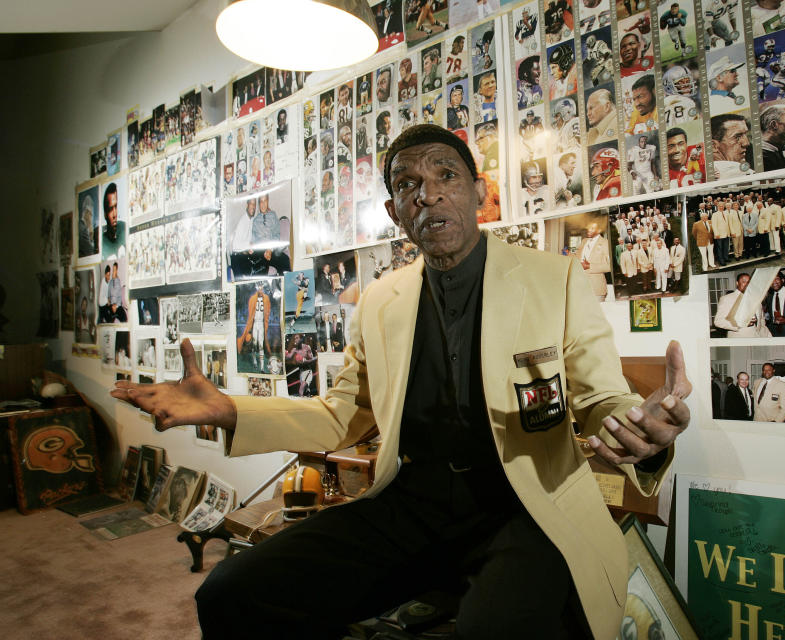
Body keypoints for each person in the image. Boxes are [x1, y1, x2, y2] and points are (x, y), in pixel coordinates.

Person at [112, 124, 692, 640]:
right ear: (396, 213)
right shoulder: (380, 301)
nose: (429, 192)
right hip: (412, 503)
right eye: (409, 183)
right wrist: (232, 412)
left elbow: (599, 396)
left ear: (478, 192)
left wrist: (639, 423)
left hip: (526, 503)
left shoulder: (556, 278)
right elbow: (342, 415)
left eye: (446, 175)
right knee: (232, 592)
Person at [714, 272, 771, 337]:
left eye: (749, 282)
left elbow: (761, 320)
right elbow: (718, 321)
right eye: (744, 282)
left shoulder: (756, 299)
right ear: (737, 283)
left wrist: (767, 335)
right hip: (739, 339)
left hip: (758, 338)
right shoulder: (727, 299)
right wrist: (740, 324)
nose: (747, 284)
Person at [576, 222, 610, 301]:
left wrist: (590, 266)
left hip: (596, 290)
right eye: (588, 228)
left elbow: (609, 266)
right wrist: (569, 254)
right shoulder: (584, 241)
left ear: (599, 230)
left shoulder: (605, 243)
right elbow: (578, 257)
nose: (589, 230)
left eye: (592, 228)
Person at [711, 114, 753, 179]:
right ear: (713, 146)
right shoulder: (738, 171)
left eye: (746, 135)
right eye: (737, 137)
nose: (746, 143)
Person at [101, 183, 125, 259]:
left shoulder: (123, 228)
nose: (115, 214)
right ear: (105, 215)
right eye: (111, 209)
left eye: (116, 207)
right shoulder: (102, 243)